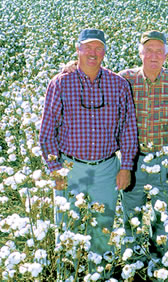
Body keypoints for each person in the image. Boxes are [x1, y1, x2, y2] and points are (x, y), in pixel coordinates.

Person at [39, 28, 138, 257]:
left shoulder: (118, 84)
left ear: (104, 52)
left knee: (103, 229)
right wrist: (57, 171)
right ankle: (67, 275)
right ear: (78, 49)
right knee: (66, 230)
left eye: (98, 48)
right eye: (88, 47)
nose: (93, 52)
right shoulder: (61, 83)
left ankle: (99, 272)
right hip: (70, 169)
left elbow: (128, 130)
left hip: (106, 169)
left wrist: (126, 168)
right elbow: (46, 133)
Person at [119, 31, 168, 256]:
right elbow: (96, 80)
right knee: (131, 216)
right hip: (133, 161)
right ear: (140, 53)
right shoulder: (125, 79)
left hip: (165, 161)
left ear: (165, 56)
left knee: (164, 218)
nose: (153, 55)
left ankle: (160, 263)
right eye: (149, 50)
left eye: (159, 51)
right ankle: (131, 261)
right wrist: (72, 66)